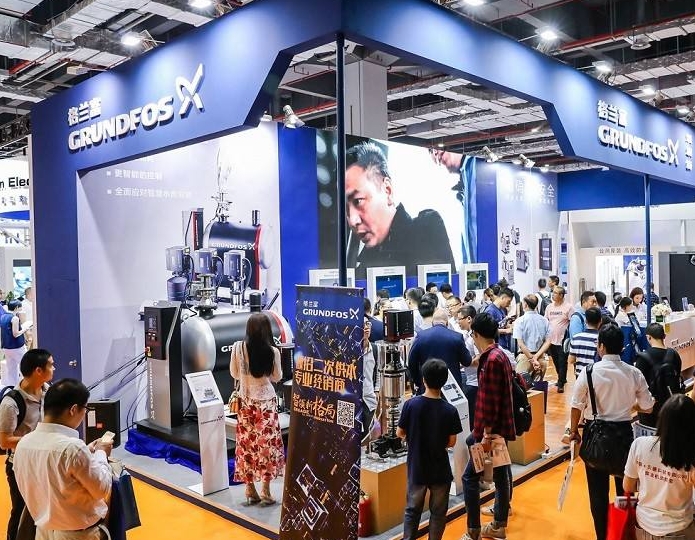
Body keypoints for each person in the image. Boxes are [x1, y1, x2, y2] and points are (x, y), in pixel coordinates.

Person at [569, 324, 654, 540]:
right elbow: (648, 406)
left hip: (595, 435)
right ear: (622, 347)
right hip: (624, 437)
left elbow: (576, 405)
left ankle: (602, 536)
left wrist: (573, 432)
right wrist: (631, 406)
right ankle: (623, 534)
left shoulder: (589, 372)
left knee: (597, 494)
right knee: (625, 491)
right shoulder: (633, 372)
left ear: (601, 346)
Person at [13, 378, 113, 540]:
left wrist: (86, 452)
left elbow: (52, 470)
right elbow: (102, 488)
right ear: (73, 410)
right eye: (85, 409)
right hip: (78, 534)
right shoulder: (73, 449)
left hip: (42, 532)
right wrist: (101, 453)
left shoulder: (23, 444)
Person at [345, 141, 455, 278]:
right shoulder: (362, 266)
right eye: (346, 209)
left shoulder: (425, 229)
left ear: (387, 190)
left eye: (358, 201)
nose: (352, 220)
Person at [461, 312, 515, 540]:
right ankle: (498, 524)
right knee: (501, 476)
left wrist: (485, 435)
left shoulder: (491, 360)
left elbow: (490, 400)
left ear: (476, 334)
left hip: (490, 433)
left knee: (469, 478)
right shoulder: (499, 355)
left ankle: (473, 530)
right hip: (498, 430)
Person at [397, 359, 462, 540]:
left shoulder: (411, 405)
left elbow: (399, 432)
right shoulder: (450, 410)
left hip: (417, 467)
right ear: (445, 381)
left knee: (412, 511)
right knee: (438, 513)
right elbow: (452, 442)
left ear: (424, 379)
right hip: (440, 469)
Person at [229, 313, 285, 506]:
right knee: (267, 447)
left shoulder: (238, 348)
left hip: (246, 404)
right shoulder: (273, 352)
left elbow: (234, 373)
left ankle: (250, 488)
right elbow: (277, 377)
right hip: (266, 406)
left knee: (247, 446)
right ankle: (266, 490)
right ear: (267, 331)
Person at [0, 349, 55, 540]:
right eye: (51, 365)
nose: (54, 368)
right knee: (21, 510)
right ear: (38, 370)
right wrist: (37, 438)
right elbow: (4, 441)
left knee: (45, 509)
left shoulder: (49, 392)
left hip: (44, 462)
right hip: (20, 465)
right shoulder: (10, 403)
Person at [623, 394, 695, 540]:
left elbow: (628, 486)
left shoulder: (639, 444)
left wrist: (650, 483)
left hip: (642, 526)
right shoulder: (690, 456)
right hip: (679, 530)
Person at [429, 149, 477, 264]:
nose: (435, 153)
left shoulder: (476, 164)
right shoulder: (463, 185)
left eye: (434, 148)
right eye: (430, 151)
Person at [408, 309, 471, 394]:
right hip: (452, 388)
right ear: (447, 323)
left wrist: (418, 381)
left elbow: (411, 362)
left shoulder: (421, 336)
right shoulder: (457, 337)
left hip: (428, 385)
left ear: (432, 322)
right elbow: (467, 361)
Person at [634, 323, 683, 429]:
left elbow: (638, 385)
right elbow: (678, 376)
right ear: (664, 336)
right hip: (672, 405)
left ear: (648, 337)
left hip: (651, 409)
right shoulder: (674, 354)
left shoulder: (642, 358)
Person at [513, 295, 551, 380]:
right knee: (538, 387)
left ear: (525, 305)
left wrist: (532, 359)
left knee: (521, 385)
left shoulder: (519, 321)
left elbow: (521, 344)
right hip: (540, 359)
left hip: (525, 359)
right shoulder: (544, 320)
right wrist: (536, 357)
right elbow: (548, 342)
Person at [545, 286, 574, 393]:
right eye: (553, 292)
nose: (553, 294)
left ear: (561, 295)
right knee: (556, 362)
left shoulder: (568, 307)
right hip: (551, 340)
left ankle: (561, 383)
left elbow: (572, 322)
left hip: (563, 341)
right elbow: (546, 321)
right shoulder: (549, 307)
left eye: (555, 293)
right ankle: (562, 378)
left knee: (562, 362)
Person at [456, 305, 479, 429]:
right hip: (472, 380)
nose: (458, 322)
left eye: (460, 319)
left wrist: (465, 362)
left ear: (469, 318)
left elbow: (480, 358)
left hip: (475, 383)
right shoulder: (468, 335)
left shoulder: (475, 336)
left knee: (472, 420)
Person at [0, 301, 29, 387]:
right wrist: (24, 329)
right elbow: (15, 334)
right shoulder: (15, 318)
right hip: (17, 347)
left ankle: (12, 387)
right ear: (16, 308)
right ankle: (25, 386)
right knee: (24, 366)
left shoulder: (3, 317)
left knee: (11, 369)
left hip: (6, 346)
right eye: (20, 307)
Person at [567, 307, 602, 378]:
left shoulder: (576, 338)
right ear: (600, 321)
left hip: (580, 377)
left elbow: (571, 360)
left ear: (585, 321)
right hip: (596, 377)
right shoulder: (602, 339)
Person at [361, 318, 378, 442]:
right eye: (362, 325)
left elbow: (378, 371)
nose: (366, 327)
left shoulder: (375, 349)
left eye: (368, 324)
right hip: (352, 400)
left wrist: (377, 390)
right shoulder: (349, 351)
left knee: (370, 437)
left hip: (369, 399)